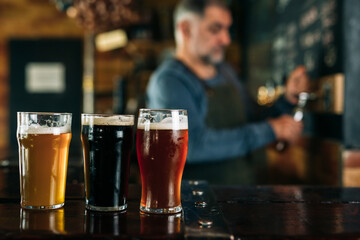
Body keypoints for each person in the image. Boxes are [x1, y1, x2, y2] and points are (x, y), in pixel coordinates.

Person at [146, 0, 309, 184]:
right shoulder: (169, 81)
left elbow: (252, 119)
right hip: (200, 203)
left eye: (227, 29)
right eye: (215, 29)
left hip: (246, 195)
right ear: (185, 29)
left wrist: (286, 100)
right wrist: (270, 130)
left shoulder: (226, 72)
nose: (226, 40)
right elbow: (192, 146)